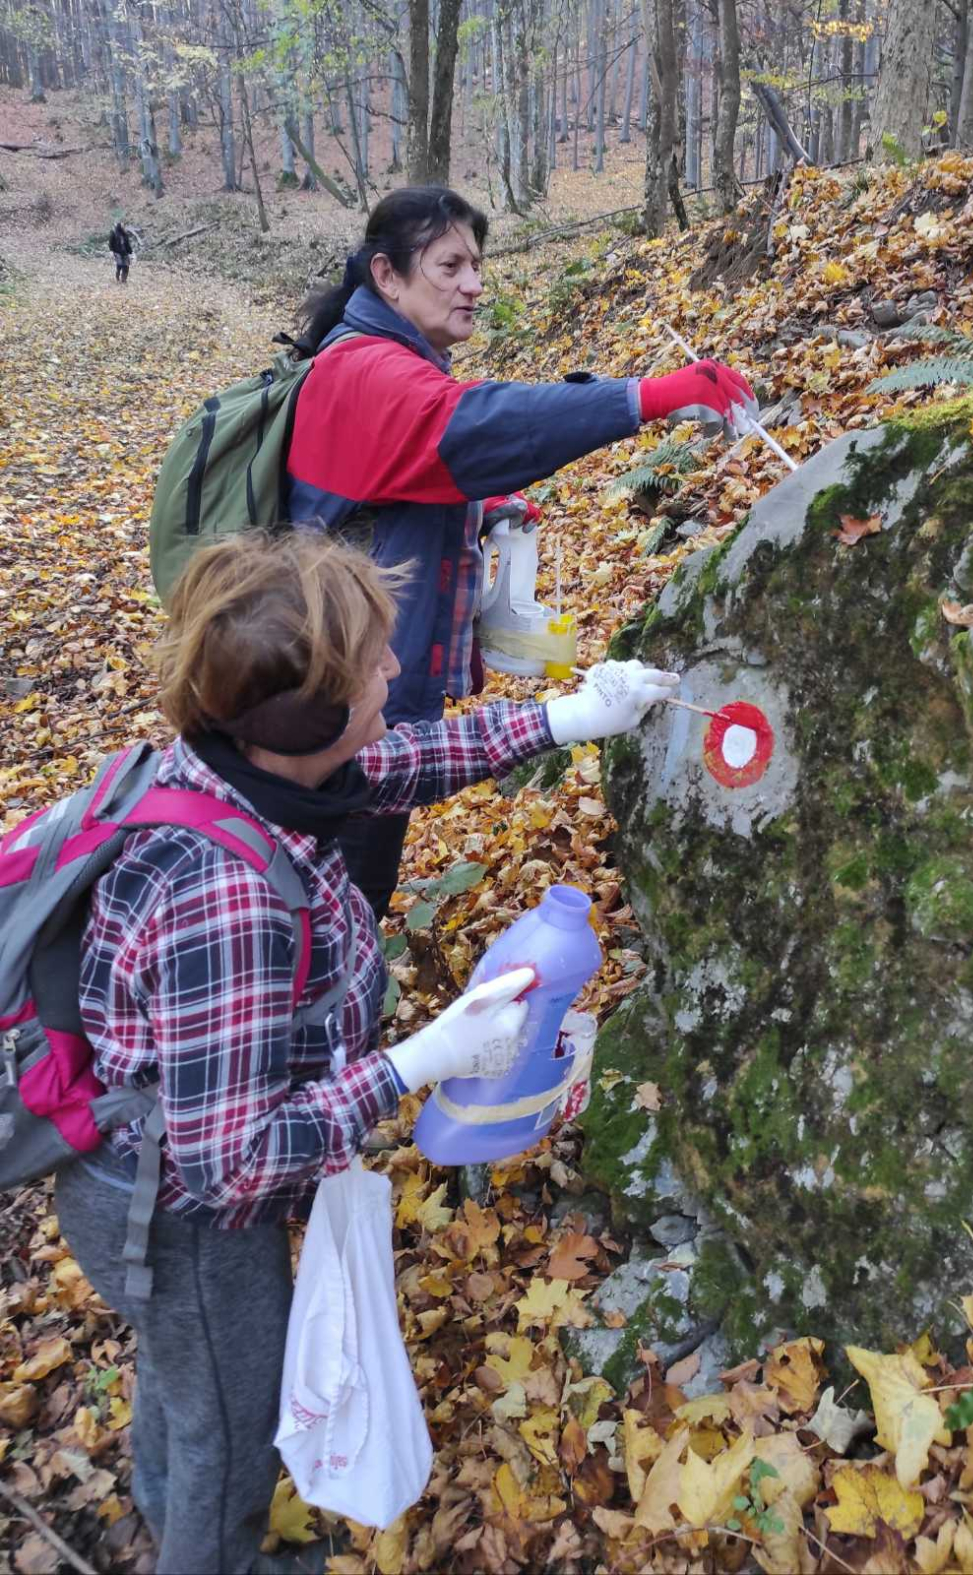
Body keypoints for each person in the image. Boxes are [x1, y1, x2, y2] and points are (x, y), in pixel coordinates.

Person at [53, 527, 677, 1575]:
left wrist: (574, 717)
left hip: (164, 1172)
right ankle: (209, 1553)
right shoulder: (228, 898)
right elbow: (230, 1160)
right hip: (174, 1216)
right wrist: (417, 1064)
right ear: (309, 714)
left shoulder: (249, 767)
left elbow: (400, 763)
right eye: (373, 663)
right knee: (228, 1419)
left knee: (183, 1382)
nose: (395, 667)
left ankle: (166, 1513)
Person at [286, 185, 756, 920]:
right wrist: (643, 398)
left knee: (346, 908)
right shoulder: (366, 370)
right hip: (327, 709)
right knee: (332, 913)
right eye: (449, 266)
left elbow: (397, 476)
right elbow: (471, 426)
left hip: (362, 694)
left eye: (477, 264)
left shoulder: (385, 358)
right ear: (387, 275)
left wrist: (484, 505)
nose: (473, 284)